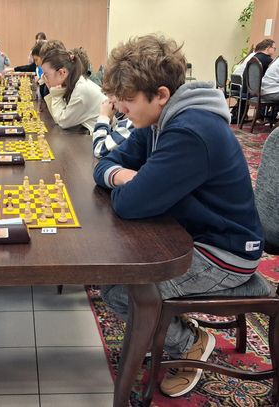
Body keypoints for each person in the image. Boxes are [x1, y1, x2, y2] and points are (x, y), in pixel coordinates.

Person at [93, 34, 263, 398]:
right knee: (117, 276)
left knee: (120, 290)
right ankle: (169, 327)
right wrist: (124, 176)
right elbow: (105, 164)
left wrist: (132, 185)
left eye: (127, 101)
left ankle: (190, 344)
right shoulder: (157, 120)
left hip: (226, 251)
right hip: (193, 233)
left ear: (160, 94)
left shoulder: (190, 131)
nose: (120, 109)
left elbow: (128, 204)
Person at [42, 48, 107, 134]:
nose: (44, 79)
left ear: (62, 73)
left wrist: (55, 93)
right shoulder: (74, 84)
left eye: (46, 75)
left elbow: (62, 122)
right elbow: (58, 118)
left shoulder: (81, 89)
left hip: (101, 137)